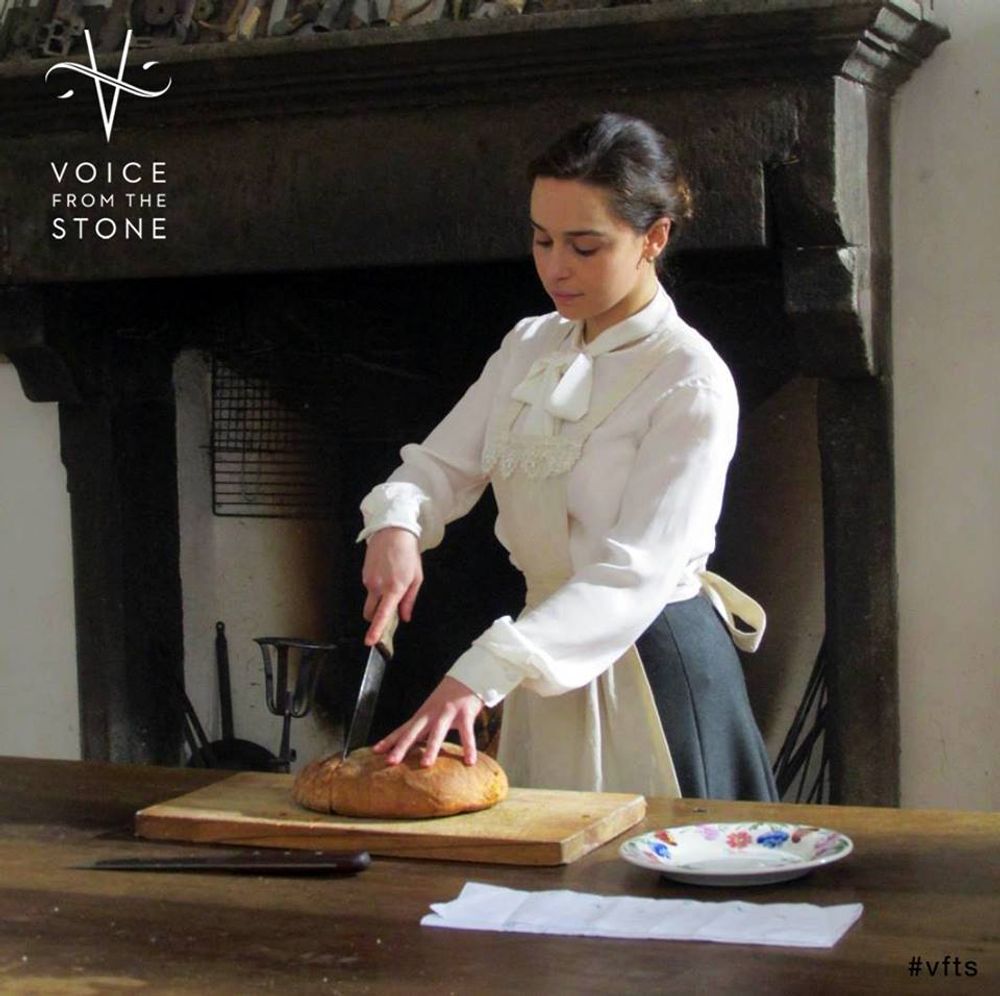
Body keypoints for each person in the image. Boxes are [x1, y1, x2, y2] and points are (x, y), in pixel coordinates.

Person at [357, 112, 778, 802]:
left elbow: (633, 574)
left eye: (585, 246)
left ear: (654, 238)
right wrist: (397, 525)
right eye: (542, 239)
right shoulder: (529, 345)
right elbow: (440, 467)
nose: (556, 267)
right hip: (537, 659)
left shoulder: (690, 380)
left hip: (650, 666)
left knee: (658, 866)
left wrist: (481, 670)